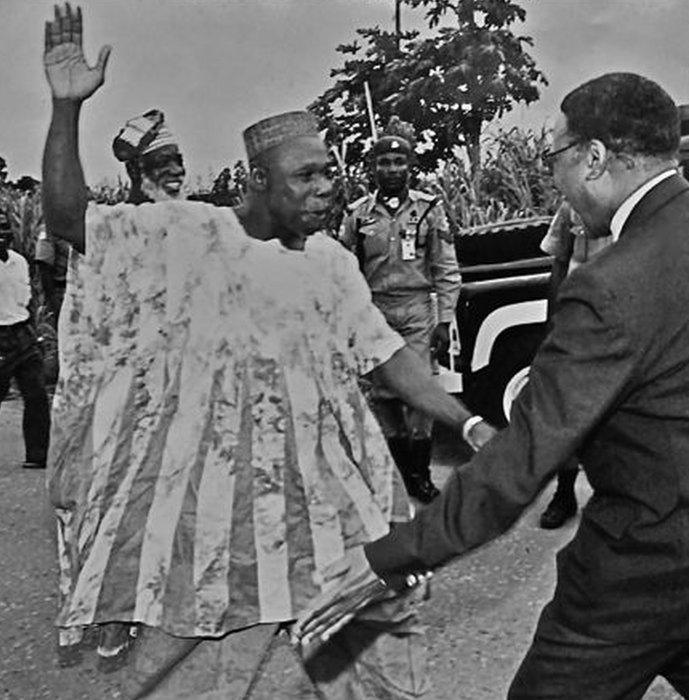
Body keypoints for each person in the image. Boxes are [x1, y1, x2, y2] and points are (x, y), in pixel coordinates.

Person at [315, 72, 689, 699]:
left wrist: (388, 559)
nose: (552, 177)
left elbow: (523, 458)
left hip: (648, 565)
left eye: (554, 156)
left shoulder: (609, 284)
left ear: (593, 158)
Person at [41, 5, 493, 696]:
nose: (326, 188)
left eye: (328, 174)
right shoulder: (185, 236)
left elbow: (386, 355)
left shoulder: (331, 264)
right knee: (212, 678)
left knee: (385, 677)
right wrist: (66, 109)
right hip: (219, 519)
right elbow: (71, 219)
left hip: (326, 506)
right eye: (306, 177)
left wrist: (465, 422)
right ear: (257, 180)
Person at [338, 125, 461, 503]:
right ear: (372, 169)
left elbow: (445, 267)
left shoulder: (428, 210)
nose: (391, 169)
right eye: (383, 162)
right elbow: (345, 271)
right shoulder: (357, 216)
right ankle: (402, 477)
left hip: (416, 312)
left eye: (398, 162)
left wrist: (444, 319)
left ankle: (421, 477)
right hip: (375, 312)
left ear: (410, 166)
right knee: (382, 396)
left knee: (418, 394)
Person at [536, 200, 613, 529]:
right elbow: (559, 262)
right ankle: (564, 494)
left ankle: (615, 496)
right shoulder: (572, 207)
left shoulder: (636, 199)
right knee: (567, 412)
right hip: (577, 319)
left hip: (622, 317)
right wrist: (553, 321)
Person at [0, 210, 50, 470]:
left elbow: (27, 297)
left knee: (37, 396)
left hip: (22, 333)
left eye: (5, 228)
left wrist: (34, 332)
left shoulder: (19, 261)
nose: (2, 234)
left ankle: (38, 454)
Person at [112, 108, 187, 203]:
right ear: (134, 170)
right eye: (163, 162)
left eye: (179, 161)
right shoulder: (119, 217)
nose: (178, 170)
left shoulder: (199, 215)